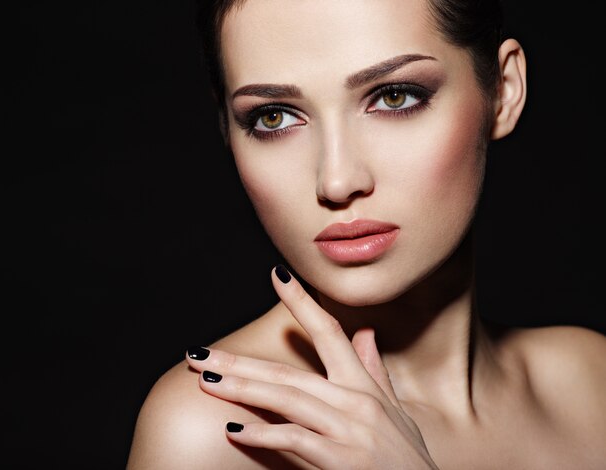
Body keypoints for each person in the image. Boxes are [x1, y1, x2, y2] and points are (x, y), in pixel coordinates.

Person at [126, 0, 606, 468]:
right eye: (274, 116)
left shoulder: (591, 382)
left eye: (394, 96)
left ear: (503, 89)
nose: (336, 182)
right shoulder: (212, 433)